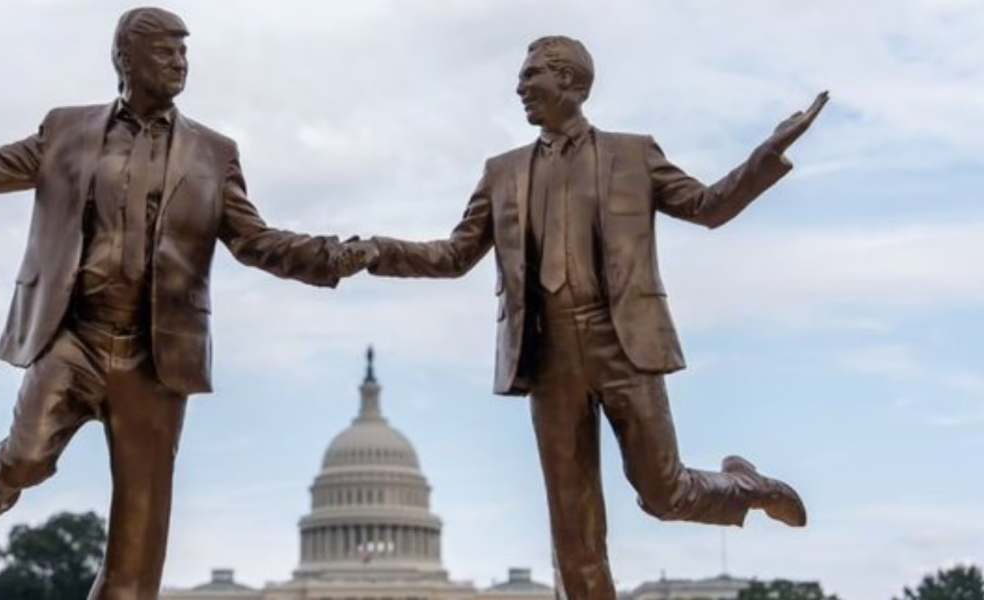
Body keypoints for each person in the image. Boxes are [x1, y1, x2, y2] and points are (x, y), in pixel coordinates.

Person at [0, 7, 359, 600]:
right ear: (126, 58)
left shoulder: (214, 153)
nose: (180, 62)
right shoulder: (67, 130)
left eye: (185, 52)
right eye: (166, 51)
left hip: (154, 361)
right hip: (74, 337)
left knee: (136, 559)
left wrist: (334, 256)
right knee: (27, 458)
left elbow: (257, 242)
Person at [342, 35, 828, 600]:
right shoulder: (502, 173)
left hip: (623, 344)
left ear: (570, 81)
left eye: (531, 76)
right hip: (546, 356)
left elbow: (708, 206)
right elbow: (453, 256)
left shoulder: (633, 155)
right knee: (574, 536)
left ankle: (747, 487)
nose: (519, 88)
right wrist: (376, 251)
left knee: (663, 494)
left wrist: (766, 155)